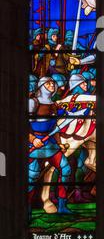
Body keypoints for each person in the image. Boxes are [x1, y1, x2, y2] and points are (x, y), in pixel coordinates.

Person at [28, 77, 72, 215]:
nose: (52, 85)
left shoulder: (54, 104)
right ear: (41, 87)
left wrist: (59, 143)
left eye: (53, 83)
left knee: (66, 169)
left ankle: (62, 205)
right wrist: (33, 138)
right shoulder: (32, 102)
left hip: (50, 142)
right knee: (32, 175)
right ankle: (27, 208)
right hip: (35, 142)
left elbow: (56, 127)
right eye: (48, 83)